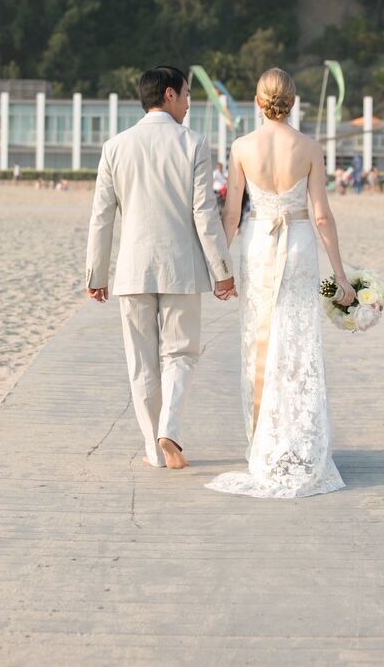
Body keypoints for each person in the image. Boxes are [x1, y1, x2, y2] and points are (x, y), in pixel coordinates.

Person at [206, 67, 361, 500]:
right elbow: (323, 215)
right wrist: (340, 275)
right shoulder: (309, 148)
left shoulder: (241, 147)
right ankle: (297, 443)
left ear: (258, 101)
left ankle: (265, 444)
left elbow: (232, 215)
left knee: (261, 341)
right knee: (296, 341)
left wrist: (221, 269)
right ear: (292, 102)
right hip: (299, 246)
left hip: (258, 245)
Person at [86, 66, 236, 470]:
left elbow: (101, 217)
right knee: (181, 353)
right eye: (187, 95)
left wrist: (95, 274)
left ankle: (154, 449)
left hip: (132, 271)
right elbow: (204, 212)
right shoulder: (193, 143)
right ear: (169, 95)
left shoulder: (115, 147)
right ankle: (169, 428)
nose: (189, 103)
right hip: (181, 269)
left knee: (141, 362)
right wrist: (222, 269)